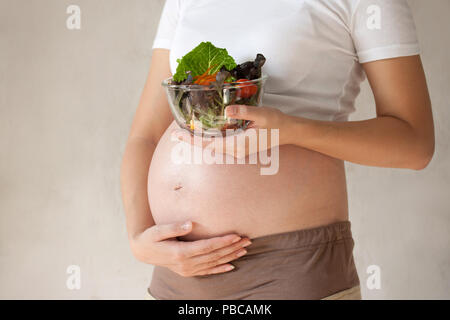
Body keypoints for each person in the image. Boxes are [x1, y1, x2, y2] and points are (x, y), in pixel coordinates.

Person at [120, 0, 434, 300]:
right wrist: (139, 237)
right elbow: (145, 136)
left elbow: (414, 143)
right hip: (178, 269)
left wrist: (291, 130)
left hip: (291, 269)